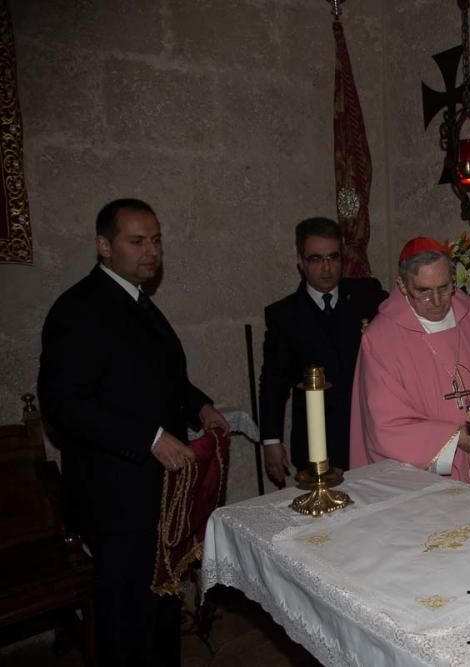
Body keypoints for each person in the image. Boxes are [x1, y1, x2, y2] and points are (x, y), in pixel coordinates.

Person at [38, 198, 229, 666]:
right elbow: (65, 406)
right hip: (114, 494)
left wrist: (200, 405)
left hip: (154, 493)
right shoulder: (77, 310)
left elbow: (166, 379)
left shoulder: (141, 304)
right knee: (126, 620)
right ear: (105, 246)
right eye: (137, 241)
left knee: (161, 605)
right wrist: (149, 437)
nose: (151, 252)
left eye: (157, 241)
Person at [349, 237, 470, 496]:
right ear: (402, 286)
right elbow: (385, 426)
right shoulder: (381, 340)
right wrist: (457, 440)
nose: (437, 301)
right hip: (426, 486)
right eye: (423, 291)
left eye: (444, 288)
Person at [258, 217, 386, 485]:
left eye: (333, 258)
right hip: (317, 439)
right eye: (316, 259)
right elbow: (273, 382)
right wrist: (271, 440)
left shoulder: (366, 294)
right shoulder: (284, 315)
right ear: (300, 262)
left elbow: (410, 305)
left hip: (368, 431)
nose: (327, 268)